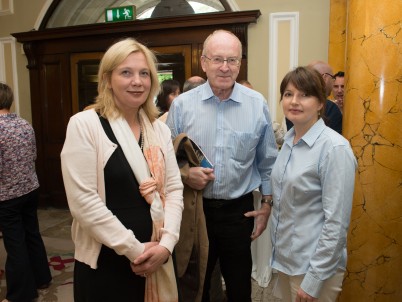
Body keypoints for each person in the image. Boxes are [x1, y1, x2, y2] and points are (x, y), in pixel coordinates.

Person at [60, 38, 184, 302]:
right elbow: (83, 203)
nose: (137, 81)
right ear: (107, 79)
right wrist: (134, 249)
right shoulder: (85, 125)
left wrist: (166, 245)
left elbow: (173, 189)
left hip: (157, 256)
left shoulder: (159, 129)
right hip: (107, 264)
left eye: (144, 73)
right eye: (126, 72)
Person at [166, 29, 278, 302]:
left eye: (232, 60)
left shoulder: (256, 104)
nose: (225, 67)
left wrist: (266, 205)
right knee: (196, 286)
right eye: (217, 59)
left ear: (240, 64)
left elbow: (267, 162)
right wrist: (185, 174)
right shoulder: (182, 106)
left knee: (240, 287)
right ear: (203, 62)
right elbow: (165, 158)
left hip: (237, 212)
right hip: (195, 210)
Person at [270, 66, 357, 302]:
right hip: (287, 259)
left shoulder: (334, 148)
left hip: (314, 267)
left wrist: (314, 279)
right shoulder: (289, 141)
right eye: (288, 94)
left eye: (304, 95)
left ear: (320, 103)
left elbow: (336, 224)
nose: (294, 101)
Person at [0, 82, 52, 302]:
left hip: (7, 195)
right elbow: (33, 155)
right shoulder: (24, 124)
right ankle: (42, 277)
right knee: (32, 234)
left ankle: (21, 294)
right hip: (30, 188)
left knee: (15, 243)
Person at [286, 61, 343, 134]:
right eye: (333, 78)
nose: (294, 102)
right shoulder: (331, 108)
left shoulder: (291, 108)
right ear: (325, 78)